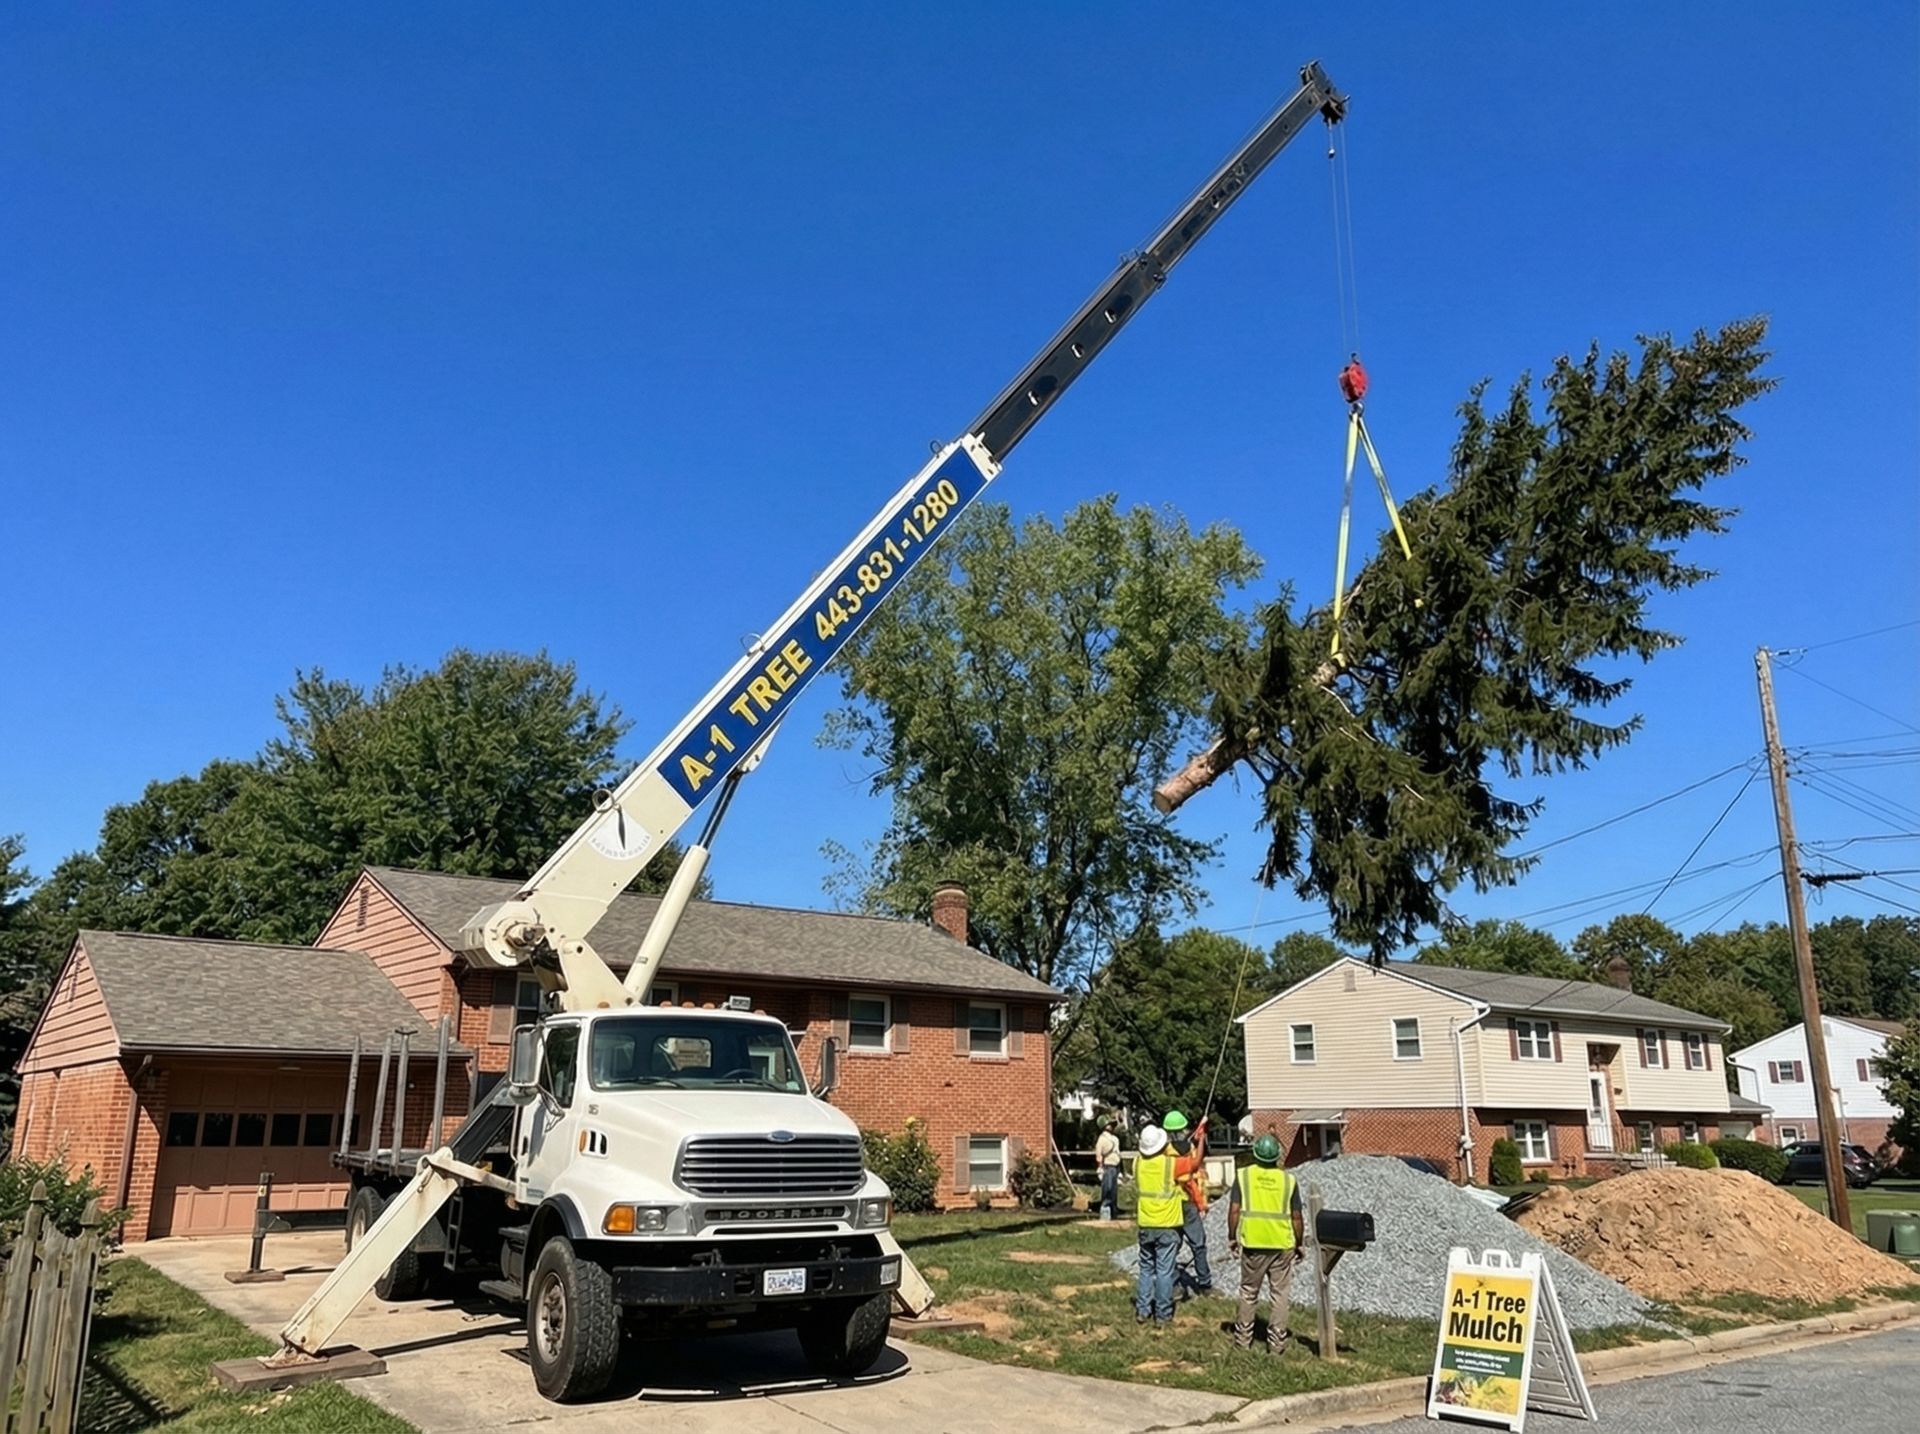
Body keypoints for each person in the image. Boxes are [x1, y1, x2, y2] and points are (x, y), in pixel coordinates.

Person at [1227, 1133, 1304, 1352]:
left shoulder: (1244, 1177)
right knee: (1279, 1295)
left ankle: (1242, 1341)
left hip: (1253, 1244)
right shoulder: (1288, 1181)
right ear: (1277, 1156)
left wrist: (1232, 1237)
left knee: (1249, 1292)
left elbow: (1234, 1210)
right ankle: (1277, 1343)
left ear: (1255, 1154)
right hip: (1282, 1244)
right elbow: (1296, 1217)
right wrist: (1299, 1243)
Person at [1132, 1124, 1181, 1327]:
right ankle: (1162, 1314)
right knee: (1164, 1271)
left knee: (1145, 1269)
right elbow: (1194, 1163)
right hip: (1167, 1225)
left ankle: (1142, 1310)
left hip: (1146, 1223)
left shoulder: (1137, 1163)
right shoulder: (1171, 1164)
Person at [1163, 1109, 1213, 1295]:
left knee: (1171, 1246)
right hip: (1187, 1204)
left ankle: (1175, 1283)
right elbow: (1192, 1179)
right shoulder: (1187, 1153)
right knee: (1198, 1245)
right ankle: (1205, 1284)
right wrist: (1201, 1203)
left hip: (1170, 1205)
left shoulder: (1163, 1154)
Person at [1093, 1116, 1121, 1221]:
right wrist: (1100, 1167)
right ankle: (1105, 1210)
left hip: (1115, 1166)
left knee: (1114, 1190)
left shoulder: (1115, 1139)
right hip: (1108, 1165)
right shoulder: (1102, 1139)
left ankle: (1113, 1211)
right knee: (1107, 1189)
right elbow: (1098, 1154)